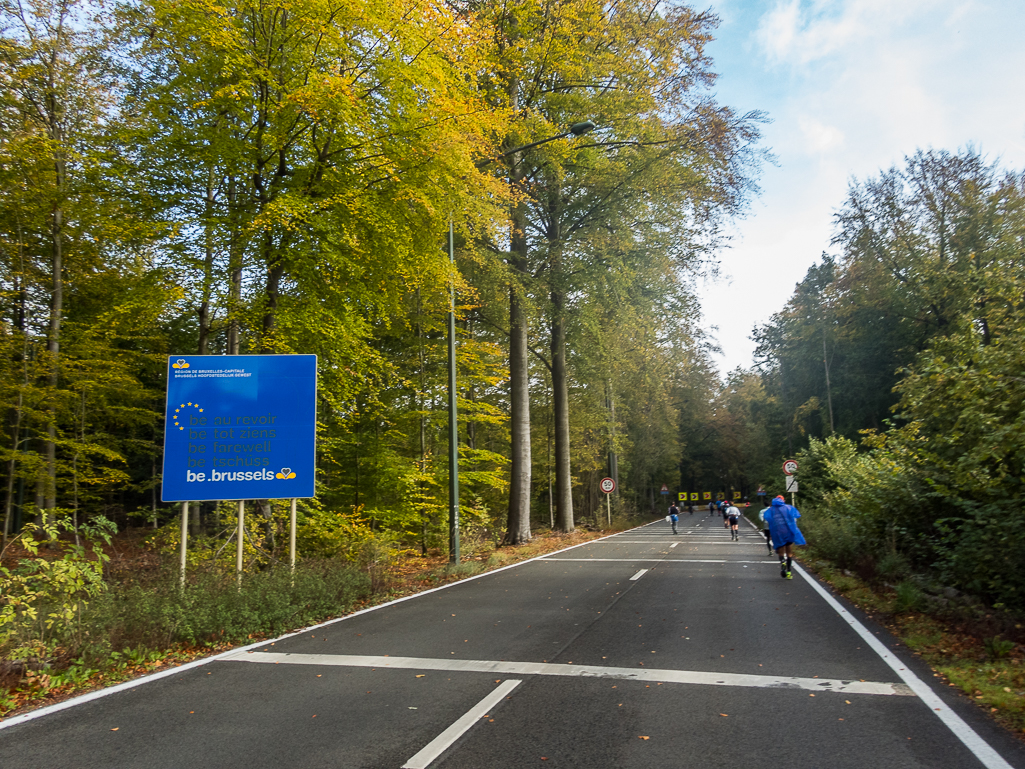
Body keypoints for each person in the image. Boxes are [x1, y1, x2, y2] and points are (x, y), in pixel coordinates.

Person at [764, 495, 806, 579]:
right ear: (783, 500)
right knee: (789, 552)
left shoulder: (771, 510)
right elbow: (795, 518)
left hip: (778, 533)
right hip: (788, 532)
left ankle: (782, 561)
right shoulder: (789, 508)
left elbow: (768, 520)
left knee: (781, 551)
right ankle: (789, 572)